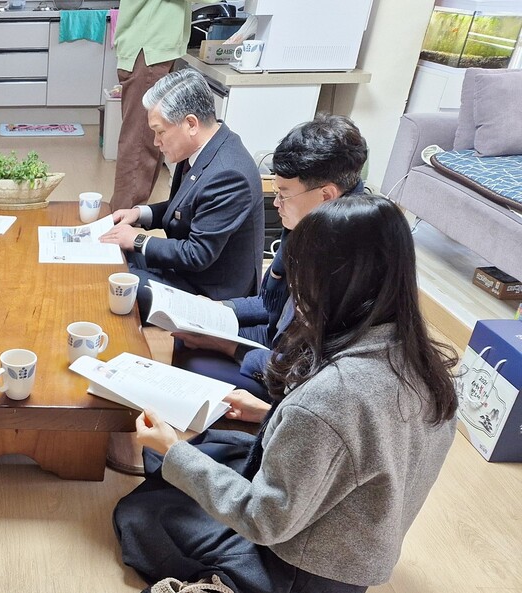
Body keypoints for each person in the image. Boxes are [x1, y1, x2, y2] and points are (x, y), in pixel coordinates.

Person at [114, 195, 459, 592]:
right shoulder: (425, 360)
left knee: (143, 516)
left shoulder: (334, 396)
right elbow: (366, 446)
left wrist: (175, 450)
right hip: (356, 551)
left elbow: (266, 520)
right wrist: (268, 413)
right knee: (216, 448)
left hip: (301, 568)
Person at [173, 114, 369, 404]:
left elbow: (313, 373)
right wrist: (218, 308)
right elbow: (272, 303)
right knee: (189, 333)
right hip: (280, 338)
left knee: (195, 363)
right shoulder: (310, 220)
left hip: (305, 376)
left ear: (326, 195)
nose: (276, 203)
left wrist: (230, 348)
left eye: (284, 194)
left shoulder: (349, 256)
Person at [100, 68, 264, 317]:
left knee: (116, 280)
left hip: (211, 293)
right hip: (189, 273)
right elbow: (185, 206)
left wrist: (137, 239)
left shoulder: (229, 174)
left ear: (190, 124)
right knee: (112, 256)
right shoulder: (206, 147)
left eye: (160, 131)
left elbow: (197, 254)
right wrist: (140, 214)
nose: (156, 142)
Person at [110, 0, 218, 210]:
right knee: (141, 147)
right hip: (150, 47)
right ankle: (121, 230)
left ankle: (126, 225)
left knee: (151, 144)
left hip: (152, 47)